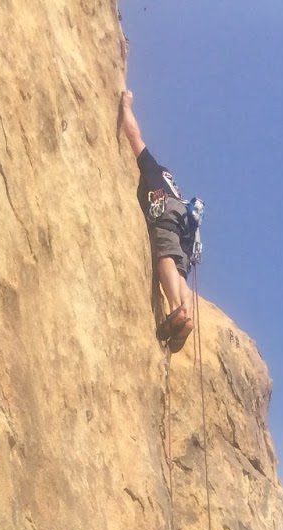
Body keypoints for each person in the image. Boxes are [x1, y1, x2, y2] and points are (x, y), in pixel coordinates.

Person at [118, 90, 199, 351]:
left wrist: (126, 106)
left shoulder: (154, 170)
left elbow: (134, 136)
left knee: (164, 252)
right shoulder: (176, 187)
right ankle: (184, 310)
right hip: (187, 225)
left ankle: (178, 311)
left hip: (167, 213)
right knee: (180, 273)